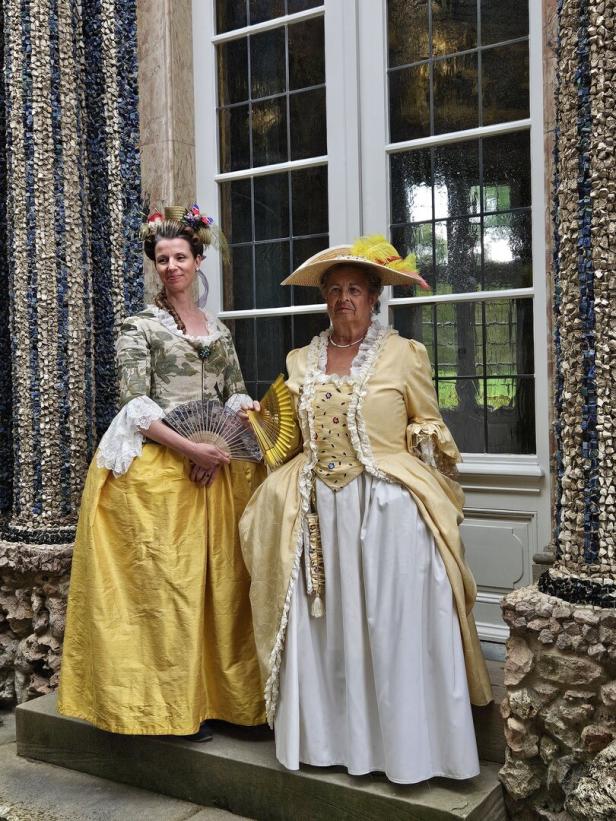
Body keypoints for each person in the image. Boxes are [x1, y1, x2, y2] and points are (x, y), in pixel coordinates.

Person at [239, 236, 492, 783]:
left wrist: (424, 439)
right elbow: (289, 434)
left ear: (375, 297)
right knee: (332, 627)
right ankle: (330, 743)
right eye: (334, 291)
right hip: (316, 513)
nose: (343, 299)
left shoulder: (404, 355)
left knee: (390, 623)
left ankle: (409, 752)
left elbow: (429, 423)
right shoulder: (300, 361)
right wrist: (259, 422)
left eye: (354, 289)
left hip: (388, 509)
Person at [58, 205, 266, 738]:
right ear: (154, 265)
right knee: (168, 591)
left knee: (221, 590)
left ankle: (227, 702)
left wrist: (221, 445)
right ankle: (169, 708)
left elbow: (236, 395)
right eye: (162, 259)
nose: (171, 266)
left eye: (181, 257)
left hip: (215, 475)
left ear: (199, 260)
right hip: (158, 472)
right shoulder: (139, 327)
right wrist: (190, 450)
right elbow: (135, 405)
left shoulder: (217, 331)